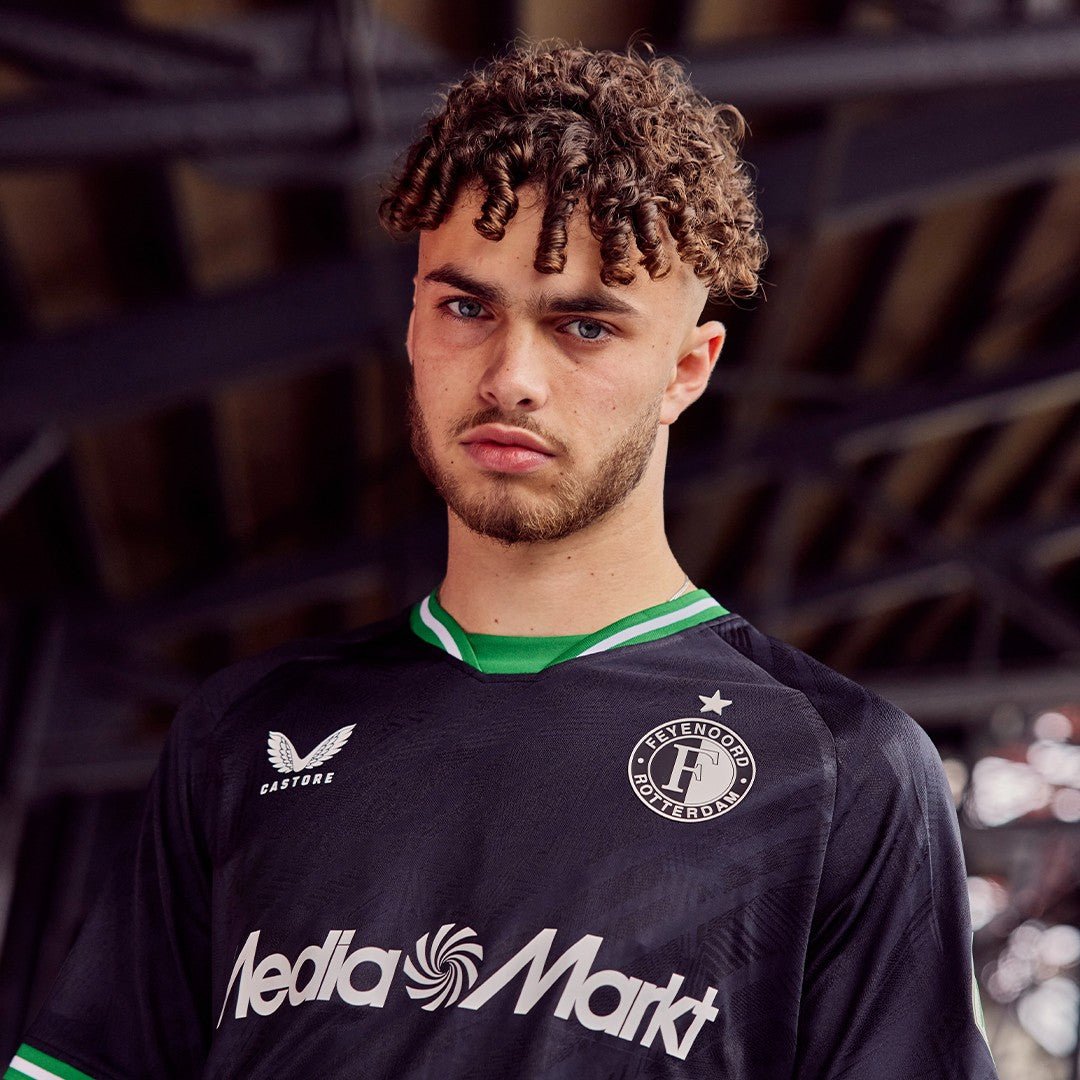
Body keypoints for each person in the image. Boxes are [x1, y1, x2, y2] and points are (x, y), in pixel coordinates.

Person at [7, 38, 997, 1080]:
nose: (511, 376)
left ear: (687, 369)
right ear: (414, 324)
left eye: (585, 326)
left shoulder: (841, 770)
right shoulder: (247, 729)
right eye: (467, 308)